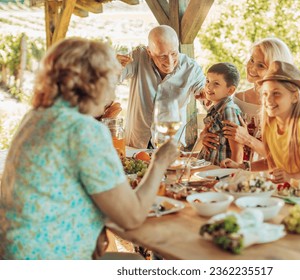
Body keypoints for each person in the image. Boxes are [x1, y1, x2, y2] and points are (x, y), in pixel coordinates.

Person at [0, 38, 178, 259]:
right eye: (112, 79)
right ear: (94, 83)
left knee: (133, 259)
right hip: (51, 257)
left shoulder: (36, 117)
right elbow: (131, 218)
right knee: (138, 263)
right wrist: (160, 161)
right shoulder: (83, 129)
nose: (114, 88)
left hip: (16, 252)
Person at [221, 61, 300, 184]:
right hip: (290, 192)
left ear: (295, 96)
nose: (268, 100)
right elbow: (273, 161)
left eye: (276, 93)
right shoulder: (271, 124)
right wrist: (242, 167)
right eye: (265, 94)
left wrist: (291, 177)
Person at [201, 38, 294, 161]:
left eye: (261, 65)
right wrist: (205, 137)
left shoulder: (285, 105)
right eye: (252, 60)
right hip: (235, 173)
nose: (252, 68)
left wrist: (247, 139)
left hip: (268, 175)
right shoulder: (238, 99)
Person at [118, 25, 205, 149]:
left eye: (173, 54)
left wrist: (205, 95)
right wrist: (113, 64)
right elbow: (113, 78)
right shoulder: (138, 57)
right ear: (149, 52)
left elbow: (205, 92)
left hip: (170, 147)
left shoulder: (191, 69)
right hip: (135, 144)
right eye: (162, 56)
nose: (169, 62)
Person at [197, 62, 243, 165]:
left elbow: (238, 152)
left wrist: (233, 176)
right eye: (207, 81)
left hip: (220, 173)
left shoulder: (228, 110)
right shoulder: (214, 109)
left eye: (216, 84)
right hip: (208, 170)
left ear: (230, 90)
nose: (208, 86)